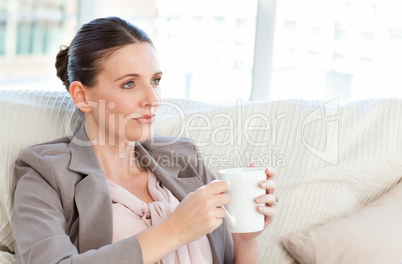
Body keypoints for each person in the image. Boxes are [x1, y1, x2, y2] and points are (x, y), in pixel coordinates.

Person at [12, 17, 277, 264]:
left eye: (155, 80)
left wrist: (244, 239)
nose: (153, 99)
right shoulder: (44, 171)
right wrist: (175, 230)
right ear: (81, 96)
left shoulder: (183, 157)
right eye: (129, 84)